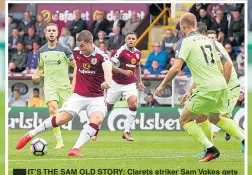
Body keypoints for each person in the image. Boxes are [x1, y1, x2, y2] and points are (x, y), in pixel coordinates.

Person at [155, 13, 244, 162]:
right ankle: (244, 139)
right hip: (221, 85)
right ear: (195, 25)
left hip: (207, 88)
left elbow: (176, 68)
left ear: (183, 27)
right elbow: (220, 66)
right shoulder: (208, 40)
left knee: (184, 119)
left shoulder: (184, 41)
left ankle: (211, 149)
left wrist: (162, 84)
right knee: (213, 117)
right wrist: (193, 90)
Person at [16, 30, 112, 157]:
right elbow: (76, 66)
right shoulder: (77, 51)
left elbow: (108, 70)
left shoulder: (102, 56)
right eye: (79, 46)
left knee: (97, 119)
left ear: (90, 42)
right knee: (62, 118)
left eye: (83, 46)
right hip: (79, 95)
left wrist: (107, 82)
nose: (80, 49)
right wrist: (73, 84)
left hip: (97, 97)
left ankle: (75, 149)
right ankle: (30, 134)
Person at [184, 24, 243, 156]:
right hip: (216, 88)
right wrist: (190, 90)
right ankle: (209, 148)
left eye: (212, 37)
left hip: (228, 88)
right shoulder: (204, 49)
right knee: (203, 117)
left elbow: (227, 65)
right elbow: (204, 74)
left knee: (216, 118)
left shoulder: (215, 47)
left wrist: (224, 86)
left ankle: (242, 138)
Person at [31, 23, 75, 149]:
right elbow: (40, 68)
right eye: (49, 30)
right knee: (52, 109)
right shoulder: (41, 51)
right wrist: (36, 75)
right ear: (45, 33)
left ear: (57, 33)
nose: (51, 32)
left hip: (64, 86)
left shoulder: (65, 49)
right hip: (50, 85)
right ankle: (60, 142)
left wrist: (74, 82)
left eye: (53, 31)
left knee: (68, 114)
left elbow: (75, 65)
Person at [104, 32, 144, 141]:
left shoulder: (138, 53)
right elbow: (110, 65)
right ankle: (95, 128)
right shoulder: (120, 51)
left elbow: (138, 67)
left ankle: (126, 132)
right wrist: (123, 71)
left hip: (130, 84)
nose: (131, 40)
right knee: (107, 108)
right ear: (126, 40)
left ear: (136, 40)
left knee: (133, 103)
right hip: (116, 83)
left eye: (133, 38)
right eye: (129, 38)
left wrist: (140, 81)